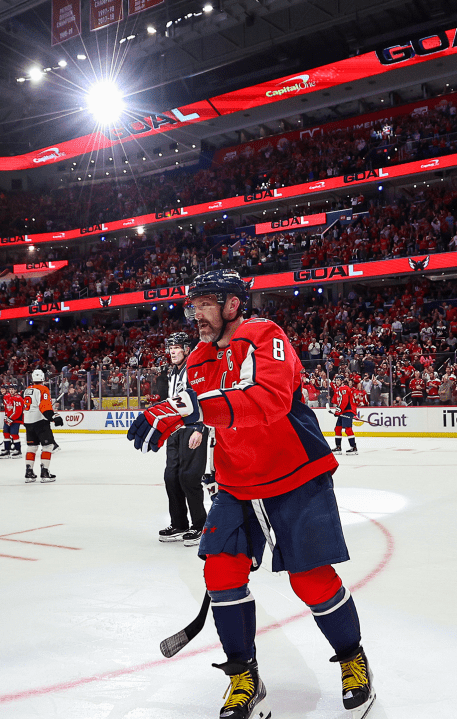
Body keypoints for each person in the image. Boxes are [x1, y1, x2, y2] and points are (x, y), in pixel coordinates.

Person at [126, 270, 375, 719]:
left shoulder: (266, 334)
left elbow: (268, 398)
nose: (196, 314)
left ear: (233, 304)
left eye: (205, 304)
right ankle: (245, 676)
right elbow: (205, 407)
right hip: (236, 483)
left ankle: (353, 660)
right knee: (221, 575)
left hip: (295, 475)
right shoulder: (200, 357)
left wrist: (191, 408)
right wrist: (185, 413)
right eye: (193, 305)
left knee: (311, 581)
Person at [152, 332, 208, 546]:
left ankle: (199, 524)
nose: (172, 351)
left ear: (186, 349)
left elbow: (204, 399)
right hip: (175, 430)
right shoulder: (171, 373)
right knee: (171, 477)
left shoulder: (194, 370)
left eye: (176, 347)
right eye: (170, 348)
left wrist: (200, 428)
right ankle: (179, 524)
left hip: (193, 428)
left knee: (189, 477)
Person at [22, 369, 63, 482]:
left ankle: (29, 473)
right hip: (40, 421)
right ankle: (45, 473)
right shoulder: (43, 389)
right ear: (43, 378)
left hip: (28, 421)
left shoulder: (27, 390)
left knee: (32, 447)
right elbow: (44, 406)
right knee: (48, 446)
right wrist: (53, 417)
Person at [329, 374, 359, 455]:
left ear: (342, 381)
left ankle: (354, 447)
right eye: (336, 380)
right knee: (338, 428)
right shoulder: (339, 389)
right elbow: (339, 401)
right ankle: (338, 447)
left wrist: (339, 410)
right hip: (343, 411)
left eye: (338, 380)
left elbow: (344, 401)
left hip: (347, 411)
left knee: (348, 429)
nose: (337, 381)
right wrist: (338, 410)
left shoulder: (344, 388)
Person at [0, 387, 24, 458]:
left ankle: (18, 450)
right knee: (6, 433)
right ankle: (7, 449)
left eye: (13, 389)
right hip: (8, 419)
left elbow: (18, 411)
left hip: (16, 419)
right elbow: (7, 409)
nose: (11, 391)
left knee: (14, 434)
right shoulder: (7, 397)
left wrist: (11, 418)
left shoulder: (18, 398)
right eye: (10, 389)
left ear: (16, 390)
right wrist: (7, 417)